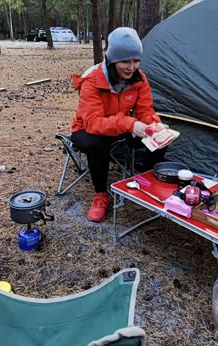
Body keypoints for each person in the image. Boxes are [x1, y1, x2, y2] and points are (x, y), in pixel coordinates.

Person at [71, 27, 168, 222]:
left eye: (136, 60)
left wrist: (154, 125)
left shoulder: (139, 78)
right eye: (125, 61)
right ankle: (101, 194)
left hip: (120, 126)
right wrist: (130, 124)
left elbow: (145, 110)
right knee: (95, 144)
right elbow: (93, 122)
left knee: (160, 139)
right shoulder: (92, 80)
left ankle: (142, 181)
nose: (132, 67)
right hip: (87, 129)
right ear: (112, 60)